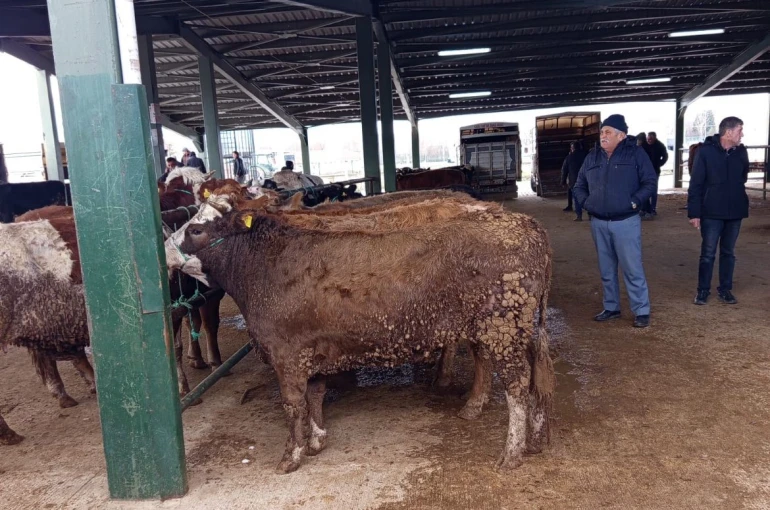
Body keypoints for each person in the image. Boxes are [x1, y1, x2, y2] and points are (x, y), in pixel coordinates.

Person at [573, 114, 657, 328]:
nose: (603, 135)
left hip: (626, 221)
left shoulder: (636, 154)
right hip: (598, 222)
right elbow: (578, 184)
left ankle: (641, 310)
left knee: (632, 267)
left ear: (622, 135)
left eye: (608, 132)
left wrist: (634, 203)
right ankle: (611, 307)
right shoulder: (592, 157)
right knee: (606, 269)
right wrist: (586, 204)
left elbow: (649, 182)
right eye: (602, 132)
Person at [687, 117, 749, 306]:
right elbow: (696, 183)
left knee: (728, 252)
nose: (742, 134)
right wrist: (694, 213)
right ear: (728, 132)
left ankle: (725, 289)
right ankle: (703, 291)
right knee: (708, 253)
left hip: (735, 211)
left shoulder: (741, 152)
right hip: (711, 212)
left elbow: (743, 176)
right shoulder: (705, 152)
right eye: (740, 130)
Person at [560, 141, 588, 220]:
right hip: (587, 181)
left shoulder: (569, 157)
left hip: (574, 181)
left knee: (577, 199)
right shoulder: (587, 155)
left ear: (572, 148)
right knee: (588, 197)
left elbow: (564, 170)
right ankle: (590, 215)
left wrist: (563, 181)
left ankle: (579, 216)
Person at [646, 131, 669, 217]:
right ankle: (646, 208)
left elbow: (665, 156)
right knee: (645, 190)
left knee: (653, 190)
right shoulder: (644, 145)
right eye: (648, 139)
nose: (649, 140)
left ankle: (653, 208)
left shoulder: (660, 145)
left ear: (655, 138)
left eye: (651, 139)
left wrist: (660, 163)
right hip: (645, 171)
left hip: (655, 170)